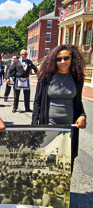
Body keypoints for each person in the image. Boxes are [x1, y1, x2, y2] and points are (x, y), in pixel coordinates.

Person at [31, 44, 87, 173]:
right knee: (47, 159)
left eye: (66, 58)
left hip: (69, 128)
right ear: (53, 60)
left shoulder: (77, 78)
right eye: (58, 59)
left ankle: (63, 192)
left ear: (72, 59)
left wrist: (83, 115)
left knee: (66, 161)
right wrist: (34, 126)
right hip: (49, 125)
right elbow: (37, 102)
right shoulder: (46, 77)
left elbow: (78, 101)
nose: (62, 62)